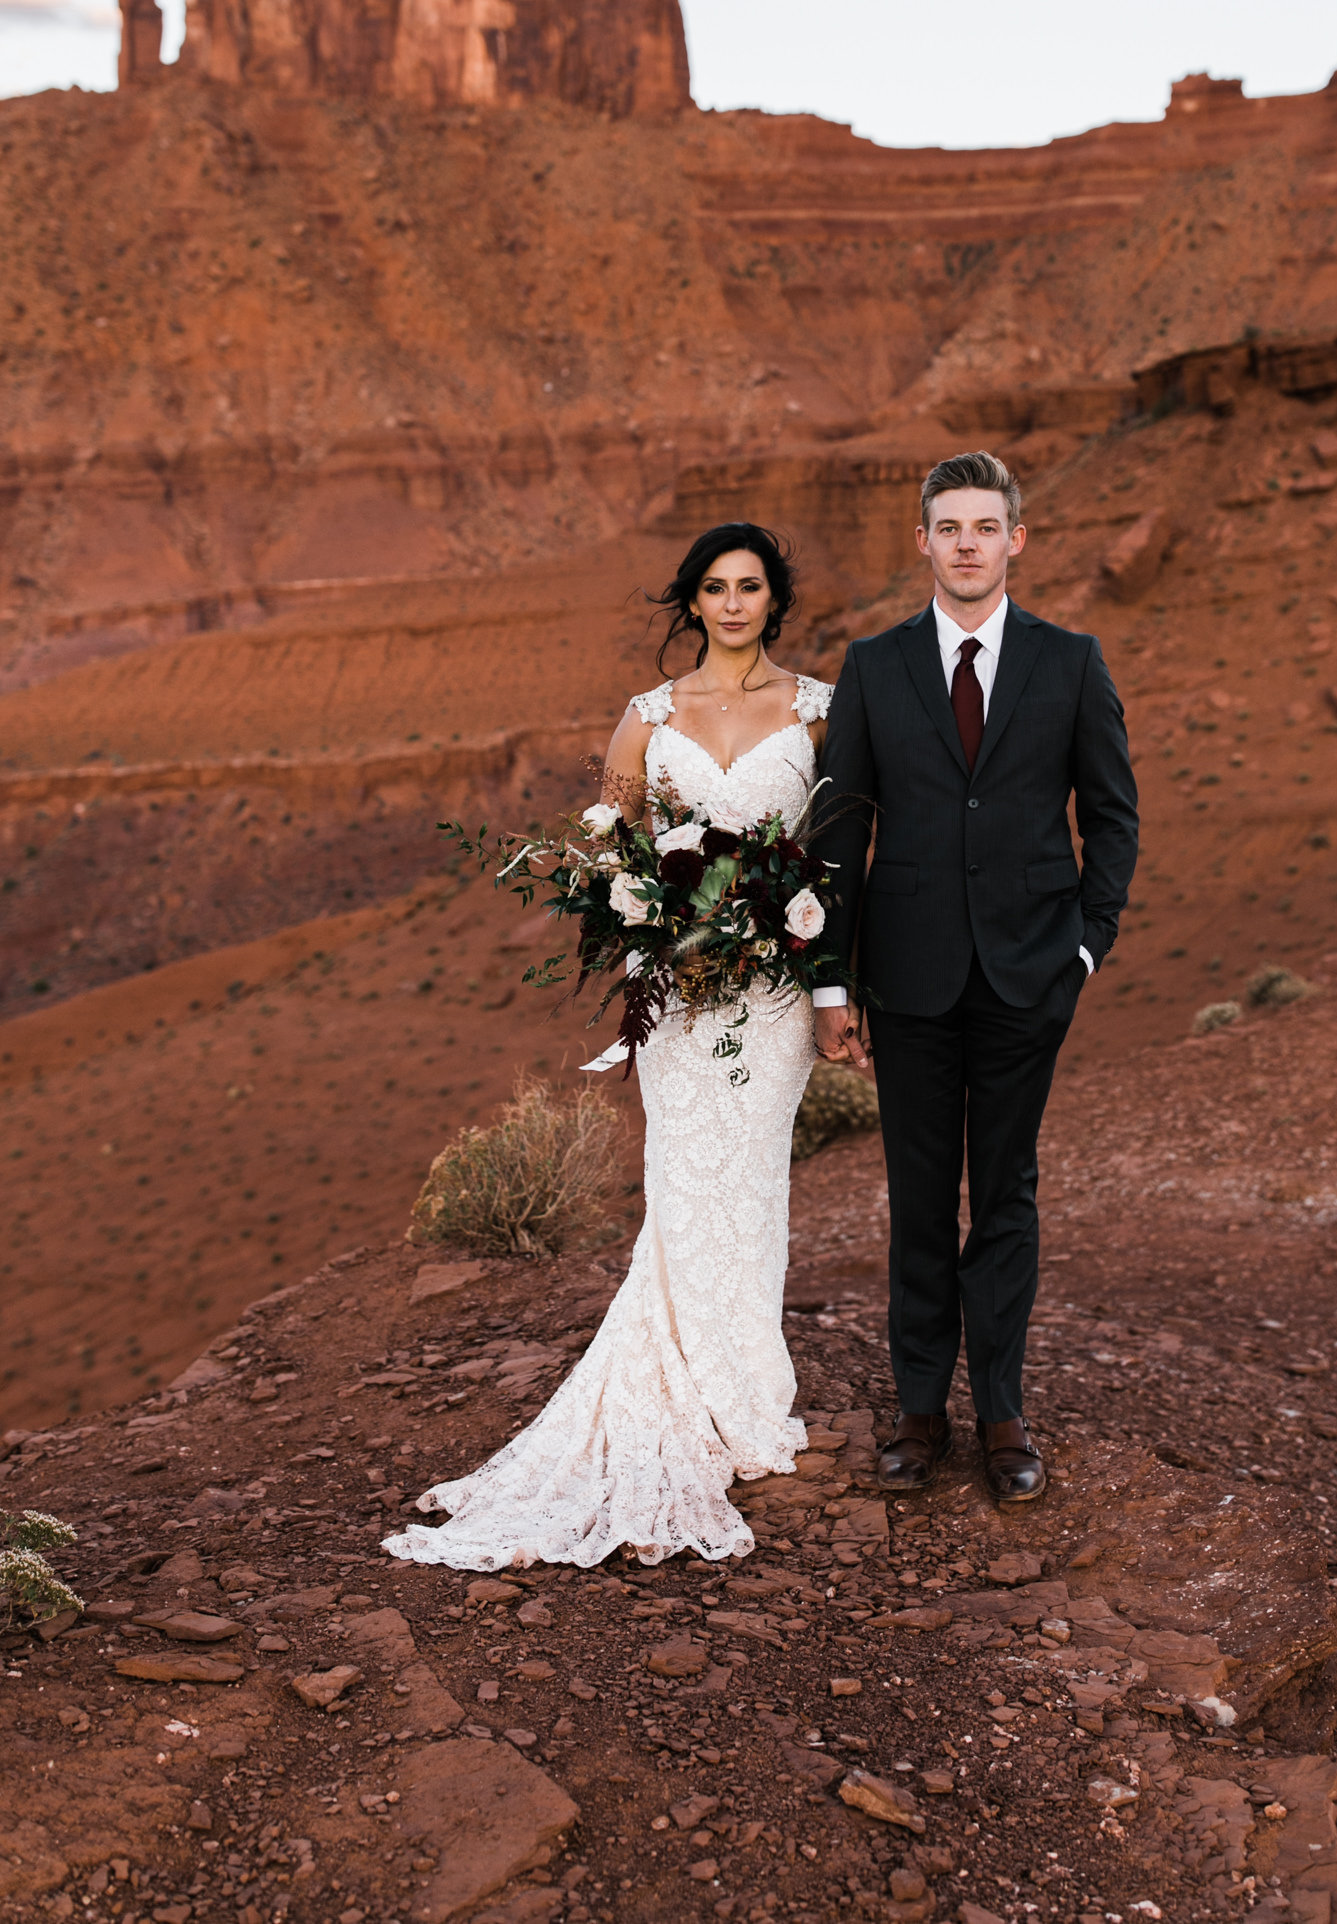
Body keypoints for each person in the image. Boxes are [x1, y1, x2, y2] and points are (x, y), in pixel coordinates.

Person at [383, 523, 831, 1571]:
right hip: (678, 997)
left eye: (749, 587)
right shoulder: (647, 715)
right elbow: (612, 852)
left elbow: (836, 846)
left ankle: (744, 1396)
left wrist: (776, 928)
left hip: (771, 995)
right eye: (713, 588)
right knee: (683, 1179)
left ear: (775, 598)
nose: (731, 604)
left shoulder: (817, 709)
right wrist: (651, 924)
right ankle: (686, 1391)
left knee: (753, 1176)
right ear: (691, 601)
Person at [814, 451, 1138, 1504]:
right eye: (946, 526)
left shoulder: (1070, 660)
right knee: (917, 1197)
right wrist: (831, 981)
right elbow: (839, 830)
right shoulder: (871, 665)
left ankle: (1000, 1411)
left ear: (1014, 539)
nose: (964, 543)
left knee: (1003, 1195)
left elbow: (1112, 815)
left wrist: (1083, 944)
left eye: (982, 526)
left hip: (1025, 976)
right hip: (905, 978)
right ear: (921, 541)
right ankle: (918, 1409)